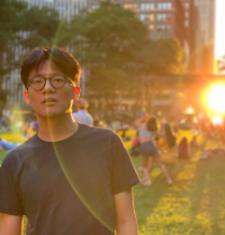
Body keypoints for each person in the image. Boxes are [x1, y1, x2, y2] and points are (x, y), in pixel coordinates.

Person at [0, 47, 139, 235]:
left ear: (75, 91)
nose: (48, 88)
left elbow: (126, 220)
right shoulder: (14, 161)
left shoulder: (108, 144)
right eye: (38, 81)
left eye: (57, 80)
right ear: (27, 96)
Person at [135, 113, 173, 186]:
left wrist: (144, 117)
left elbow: (136, 122)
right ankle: (169, 179)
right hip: (152, 147)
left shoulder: (142, 126)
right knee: (161, 165)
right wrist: (162, 125)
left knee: (144, 166)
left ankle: (148, 180)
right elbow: (162, 134)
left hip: (144, 147)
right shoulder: (153, 129)